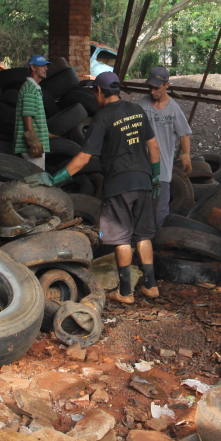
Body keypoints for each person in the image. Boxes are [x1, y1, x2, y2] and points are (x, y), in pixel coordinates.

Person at [25, 72, 161, 304]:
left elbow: (84, 158)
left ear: (98, 91)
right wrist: (155, 177)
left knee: (122, 239)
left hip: (119, 184)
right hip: (143, 181)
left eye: (93, 91)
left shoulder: (103, 117)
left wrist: (53, 178)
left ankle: (126, 292)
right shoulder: (137, 111)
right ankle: (151, 286)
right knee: (144, 235)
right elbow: (154, 147)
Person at [137, 67, 192, 229]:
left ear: (166, 85)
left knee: (159, 211)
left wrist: (187, 153)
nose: (152, 91)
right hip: (142, 168)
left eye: (157, 88)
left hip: (162, 171)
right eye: (150, 87)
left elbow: (184, 134)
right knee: (140, 209)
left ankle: (158, 247)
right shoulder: (142, 105)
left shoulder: (173, 109)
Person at [13, 55, 50, 169]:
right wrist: (33, 143)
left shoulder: (34, 88)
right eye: (42, 66)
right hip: (32, 147)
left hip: (36, 144)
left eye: (46, 66)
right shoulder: (30, 89)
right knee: (35, 179)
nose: (46, 68)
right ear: (33, 68)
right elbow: (27, 116)